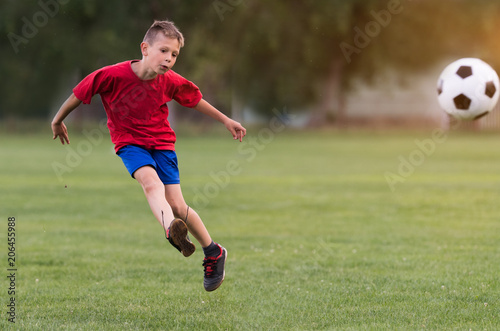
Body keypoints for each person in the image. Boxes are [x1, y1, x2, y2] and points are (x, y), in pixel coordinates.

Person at [51, 20, 246, 292]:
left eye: (174, 54)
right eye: (164, 50)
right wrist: (58, 119)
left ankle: (213, 252)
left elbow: (195, 100)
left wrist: (226, 120)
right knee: (151, 184)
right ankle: (171, 230)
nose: (169, 58)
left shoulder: (170, 81)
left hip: (163, 143)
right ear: (145, 48)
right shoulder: (112, 75)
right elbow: (80, 93)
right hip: (130, 143)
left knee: (178, 204)